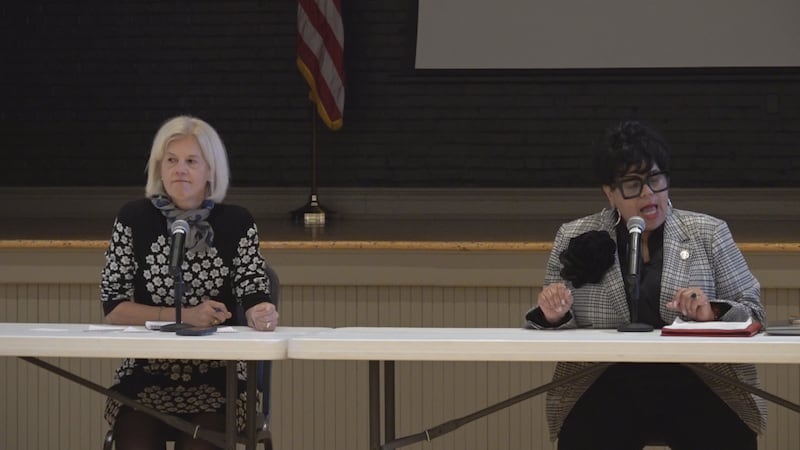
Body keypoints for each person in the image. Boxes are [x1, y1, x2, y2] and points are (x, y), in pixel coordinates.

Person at [525, 120, 766, 450]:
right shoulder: (574, 236)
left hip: (703, 380)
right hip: (603, 381)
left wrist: (712, 311)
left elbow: (753, 309)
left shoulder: (709, 233)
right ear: (609, 192)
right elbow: (554, 324)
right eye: (632, 184)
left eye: (656, 179)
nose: (648, 194)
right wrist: (553, 314)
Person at [100, 115, 279, 450]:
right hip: (147, 374)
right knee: (133, 441)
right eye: (171, 160)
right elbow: (114, 308)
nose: (180, 169)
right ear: (159, 167)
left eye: (191, 161)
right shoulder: (132, 219)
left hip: (219, 378)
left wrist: (261, 312)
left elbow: (254, 289)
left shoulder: (237, 222)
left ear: (210, 171)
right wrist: (183, 316)